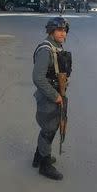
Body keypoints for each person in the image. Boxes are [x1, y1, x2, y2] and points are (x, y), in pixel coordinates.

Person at [32, 17, 72, 181]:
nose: (63, 34)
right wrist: (55, 95)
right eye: (59, 30)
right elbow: (38, 77)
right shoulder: (46, 50)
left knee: (52, 126)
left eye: (65, 30)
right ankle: (45, 165)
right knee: (48, 130)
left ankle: (38, 157)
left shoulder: (56, 47)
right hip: (49, 95)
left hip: (56, 93)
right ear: (51, 31)